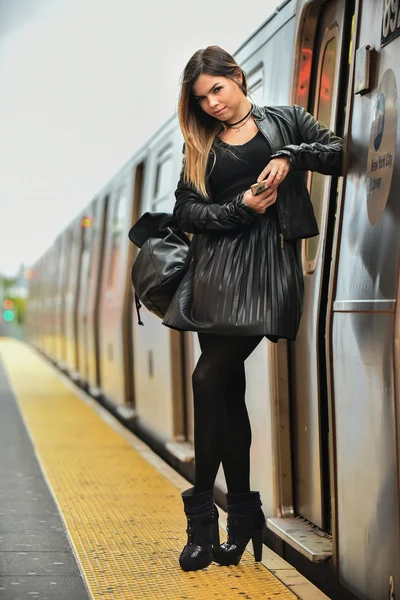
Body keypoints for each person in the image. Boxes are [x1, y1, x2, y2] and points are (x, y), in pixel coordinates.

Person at [161, 45, 343, 572]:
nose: (212, 104)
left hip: (268, 271)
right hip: (215, 272)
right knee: (226, 394)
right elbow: (186, 210)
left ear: (237, 77)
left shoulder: (286, 121)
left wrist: (293, 156)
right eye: (202, 98)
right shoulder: (200, 144)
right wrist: (238, 208)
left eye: (217, 89)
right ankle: (241, 521)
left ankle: (200, 521)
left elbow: (337, 152)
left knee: (205, 381)